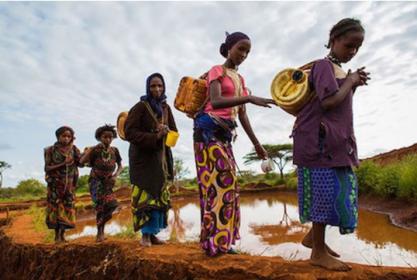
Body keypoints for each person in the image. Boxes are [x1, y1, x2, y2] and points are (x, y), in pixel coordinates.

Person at [292, 18, 370, 271]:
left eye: (357, 47)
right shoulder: (322, 65)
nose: (353, 51)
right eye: (349, 45)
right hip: (318, 142)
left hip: (334, 142)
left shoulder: (339, 71)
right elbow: (327, 103)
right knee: (324, 193)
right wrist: (350, 81)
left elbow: (339, 102)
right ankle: (317, 252)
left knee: (334, 189)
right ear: (334, 39)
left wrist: (352, 82)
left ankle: (314, 240)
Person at [193, 31, 275, 256]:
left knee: (230, 187)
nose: (244, 54)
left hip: (226, 134)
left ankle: (223, 242)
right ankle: (212, 243)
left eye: (248, 51)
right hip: (207, 131)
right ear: (229, 48)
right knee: (220, 182)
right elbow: (217, 100)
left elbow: (242, 115)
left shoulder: (240, 79)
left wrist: (257, 144)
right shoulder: (216, 71)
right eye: (241, 48)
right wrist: (249, 97)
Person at [125, 73, 177, 247]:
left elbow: (174, 133)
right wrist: (154, 136)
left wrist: (167, 133)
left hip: (160, 159)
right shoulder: (140, 107)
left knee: (159, 198)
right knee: (145, 198)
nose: (157, 89)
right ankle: (145, 236)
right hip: (143, 160)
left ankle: (153, 234)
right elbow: (129, 132)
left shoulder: (166, 108)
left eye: (160, 86)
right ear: (148, 87)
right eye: (153, 86)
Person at [80, 124, 122, 242]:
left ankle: (101, 231)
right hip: (96, 182)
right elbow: (81, 163)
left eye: (110, 137)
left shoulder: (114, 151)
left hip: (108, 183)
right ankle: (100, 234)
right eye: (105, 137)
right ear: (99, 138)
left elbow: (120, 166)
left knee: (112, 205)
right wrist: (90, 150)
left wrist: (115, 176)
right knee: (100, 207)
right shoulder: (95, 150)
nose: (108, 139)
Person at [44, 126, 83, 243]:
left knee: (67, 208)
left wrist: (86, 155)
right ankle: (57, 236)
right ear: (58, 137)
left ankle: (63, 235)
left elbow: (80, 163)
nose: (66, 138)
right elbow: (47, 168)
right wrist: (63, 163)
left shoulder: (74, 149)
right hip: (55, 185)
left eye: (69, 136)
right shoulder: (50, 150)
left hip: (69, 185)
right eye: (64, 136)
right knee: (55, 209)